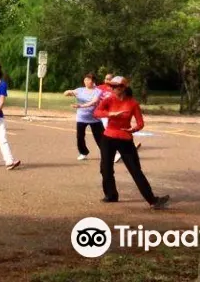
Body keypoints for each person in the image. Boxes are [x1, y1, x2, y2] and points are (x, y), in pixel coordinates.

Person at [93, 76, 169, 209]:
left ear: (124, 88)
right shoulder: (108, 100)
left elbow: (140, 123)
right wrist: (110, 114)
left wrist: (134, 129)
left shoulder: (132, 103)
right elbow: (97, 113)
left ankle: (152, 200)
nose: (113, 89)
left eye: (117, 86)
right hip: (108, 137)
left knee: (135, 170)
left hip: (125, 138)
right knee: (105, 168)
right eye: (112, 86)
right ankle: (111, 195)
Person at [63, 73, 104, 160]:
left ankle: (107, 152)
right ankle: (83, 152)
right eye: (85, 80)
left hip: (95, 118)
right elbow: (66, 93)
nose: (86, 82)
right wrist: (69, 92)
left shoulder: (98, 91)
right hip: (82, 118)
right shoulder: (80, 90)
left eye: (88, 80)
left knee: (100, 138)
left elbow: (93, 102)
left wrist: (80, 106)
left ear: (93, 82)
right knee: (80, 137)